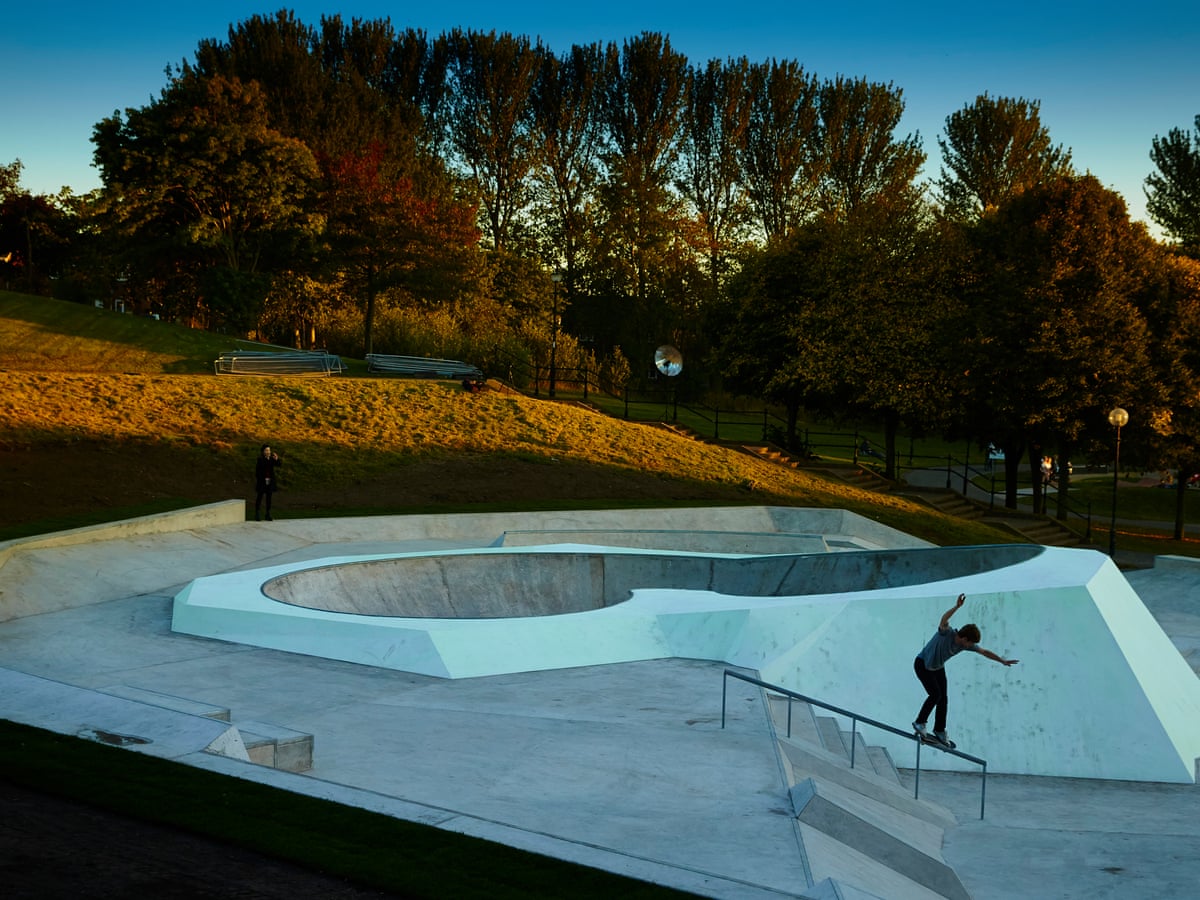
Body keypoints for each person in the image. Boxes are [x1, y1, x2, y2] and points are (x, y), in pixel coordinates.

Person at [912, 593, 1018, 748]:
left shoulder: (965, 645)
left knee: (944, 698)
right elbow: (943, 619)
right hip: (922, 664)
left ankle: (939, 730)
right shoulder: (946, 633)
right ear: (965, 638)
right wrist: (957, 607)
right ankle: (920, 722)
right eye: (970, 643)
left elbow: (984, 652)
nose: (970, 646)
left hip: (938, 667)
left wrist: (1001, 660)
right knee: (935, 694)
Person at [254, 444, 282, 521]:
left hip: (270, 481)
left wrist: (277, 459)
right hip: (262, 481)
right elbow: (257, 472)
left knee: (269, 498)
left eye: (269, 450)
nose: (268, 452)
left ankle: (268, 514)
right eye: (266, 450)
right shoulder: (260, 460)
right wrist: (261, 479)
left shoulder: (272, 459)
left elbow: (279, 465)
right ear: (263, 452)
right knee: (260, 497)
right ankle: (257, 514)